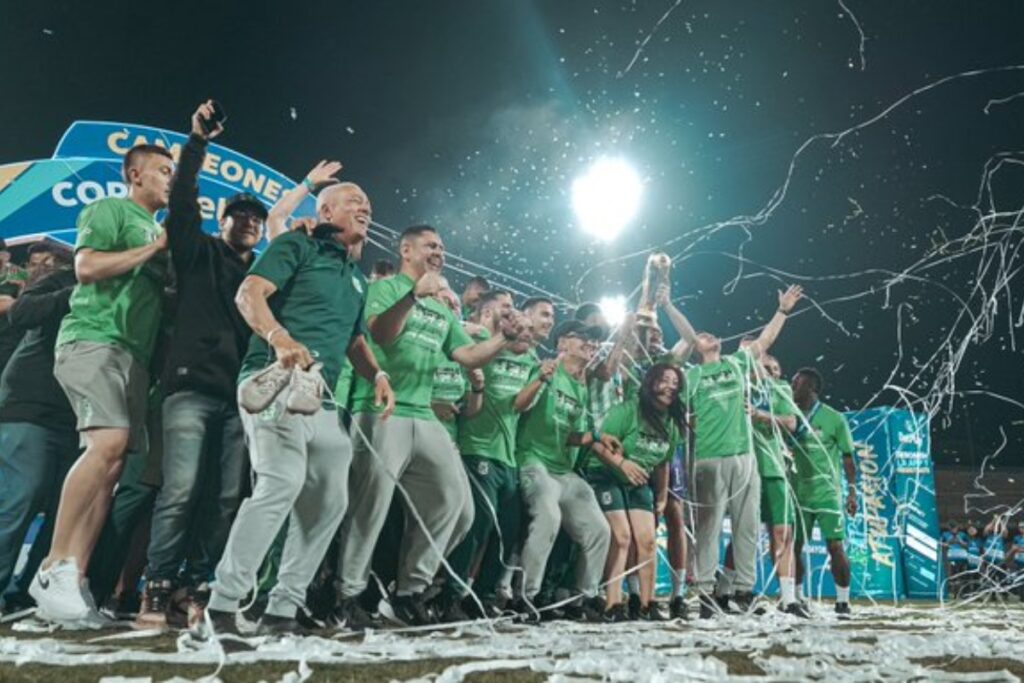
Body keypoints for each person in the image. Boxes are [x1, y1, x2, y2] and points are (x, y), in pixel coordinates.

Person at [204, 175, 395, 637]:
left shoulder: (355, 277)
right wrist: (281, 338)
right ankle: (223, 604)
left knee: (331, 499)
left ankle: (283, 610)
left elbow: (354, 340)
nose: (365, 207)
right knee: (281, 481)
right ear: (325, 213)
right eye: (353, 200)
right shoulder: (297, 245)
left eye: (367, 201)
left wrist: (379, 375)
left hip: (320, 399)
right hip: (272, 380)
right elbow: (248, 295)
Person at [334, 225, 524, 627]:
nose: (439, 251)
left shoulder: (441, 310)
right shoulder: (384, 289)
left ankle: (409, 591)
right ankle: (344, 594)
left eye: (442, 246)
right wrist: (411, 295)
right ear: (406, 249)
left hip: (424, 415)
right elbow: (379, 333)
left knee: (456, 504)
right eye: (430, 245)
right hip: (380, 408)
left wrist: (502, 340)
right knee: (370, 506)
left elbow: (468, 356)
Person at [134, 102, 267, 629]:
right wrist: (196, 144)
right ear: (223, 220)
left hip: (239, 398)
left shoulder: (263, 282)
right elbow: (183, 204)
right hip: (190, 389)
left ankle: (197, 585)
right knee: (181, 489)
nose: (251, 223)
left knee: (227, 495)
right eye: (241, 215)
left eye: (258, 218)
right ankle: (156, 586)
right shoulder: (197, 252)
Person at [31, 143, 173, 624]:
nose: (170, 179)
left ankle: (76, 584)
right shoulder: (111, 209)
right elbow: (86, 268)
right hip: (93, 341)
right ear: (135, 174)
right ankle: (52, 567)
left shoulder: (158, 230)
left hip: (134, 355)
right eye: (162, 171)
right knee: (106, 444)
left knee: (111, 469)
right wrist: (153, 249)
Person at [687, 285, 803, 619]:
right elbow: (682, 415)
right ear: (696, 348)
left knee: (747, 525)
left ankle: (743, 590)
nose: (709, 335)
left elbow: (765, 342)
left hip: (744, 456)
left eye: (711, 333)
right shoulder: (691, 376)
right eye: (702, 335)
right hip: (708, 458)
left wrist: (782, 311)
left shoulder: (737, 364)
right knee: (708, 527)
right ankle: (707, 592)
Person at [438, 290, 537, 620]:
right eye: (517, 324)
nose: (525, 333)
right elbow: (467, 332)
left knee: (507, 531)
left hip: (508, 458)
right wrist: (487, 326)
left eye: (529, 331)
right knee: (478, 524)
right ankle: (447, 593)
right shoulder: (483, 344)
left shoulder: (532, 364)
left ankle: (480, 595)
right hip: (476, 448)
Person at [513, 319, 619, 621]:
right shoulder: (545, 368)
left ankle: (581, 599)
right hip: (533, 461)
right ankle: (526, 598)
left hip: (562, 471)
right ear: (562, 343)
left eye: (595, 340)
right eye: (583, 337)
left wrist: (597, 437)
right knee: (549, 515)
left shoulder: (580, 386)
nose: (592, 343)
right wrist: (540, 380)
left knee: (599, 529)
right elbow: (518, 405)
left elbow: (572, 435)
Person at [0, 264, 77, 614]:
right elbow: (21, 312)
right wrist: (80, 292)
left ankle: (26, 594)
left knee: (67, 513)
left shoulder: (135, 292)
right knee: (20, 500)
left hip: (79, 416)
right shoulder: (68, 276)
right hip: (31, 405)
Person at [583, 363, 686, 620]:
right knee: (622, 537)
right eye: (664, 380)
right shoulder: (627, 410)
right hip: (606, 474)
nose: (670, 387)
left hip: (638, 482)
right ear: (651, 383)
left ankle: (647, 604)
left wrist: (661, 496)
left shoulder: (672, 425)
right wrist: (622, 464)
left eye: (675, 382)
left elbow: (662, 463)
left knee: (648, 540)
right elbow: (598, 444)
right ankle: (613, 603)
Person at [789, 366, 857, 618]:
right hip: (797, 492)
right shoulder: (789, 414)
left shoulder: (834, 418)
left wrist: (852, 492)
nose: (792, 385)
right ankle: (796, 597)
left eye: (798, 382)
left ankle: (842, 601)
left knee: (835, 547)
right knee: (794, 546)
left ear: (813, 388)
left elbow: (848, 457)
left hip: (827, 494)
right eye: (793, 381)